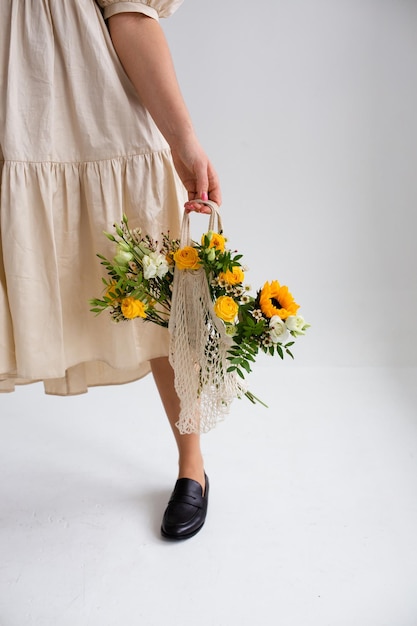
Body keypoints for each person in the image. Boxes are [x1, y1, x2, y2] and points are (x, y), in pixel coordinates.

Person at [0, 0, 221, 540]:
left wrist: (183, 140)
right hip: (10, 128)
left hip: (99, 122)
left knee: (162, 303)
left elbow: (130, 15)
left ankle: (192, 466)